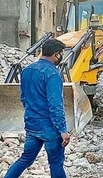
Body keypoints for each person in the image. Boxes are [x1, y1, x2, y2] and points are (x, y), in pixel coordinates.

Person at [5, 39, 70, 178]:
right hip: (50, 128)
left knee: (25, 159)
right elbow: (55, 105)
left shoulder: (27, 71)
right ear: (56, 54)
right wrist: (63, 130)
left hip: (32, 125)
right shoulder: (53, 74)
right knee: (56, 163)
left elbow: (24, 98)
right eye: (61, 54)